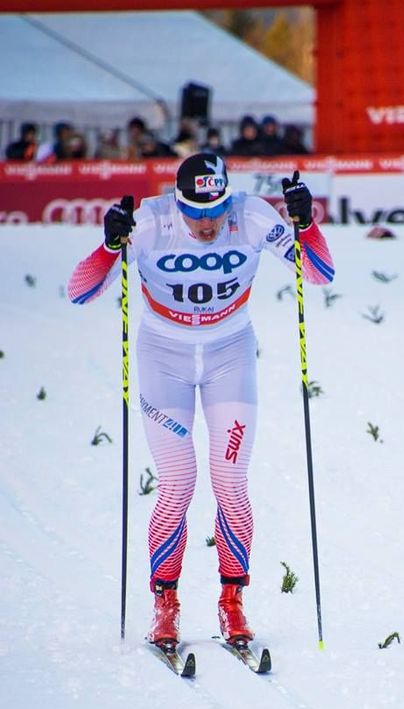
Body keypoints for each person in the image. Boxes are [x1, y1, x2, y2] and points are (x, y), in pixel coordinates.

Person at [67, 153, 334, 651]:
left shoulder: (252, 217)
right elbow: (80, 293)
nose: (207, 223)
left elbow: (320, 275)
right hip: (163, 358)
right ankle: (164, 604)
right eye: (195, 212)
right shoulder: (149, 222)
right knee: (178, 482)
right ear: (178, 201)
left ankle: (232, 603)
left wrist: (306, 224)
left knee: (230, 479)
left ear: (228, 198)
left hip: (229, 354)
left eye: (215, 211)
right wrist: (109, 245)